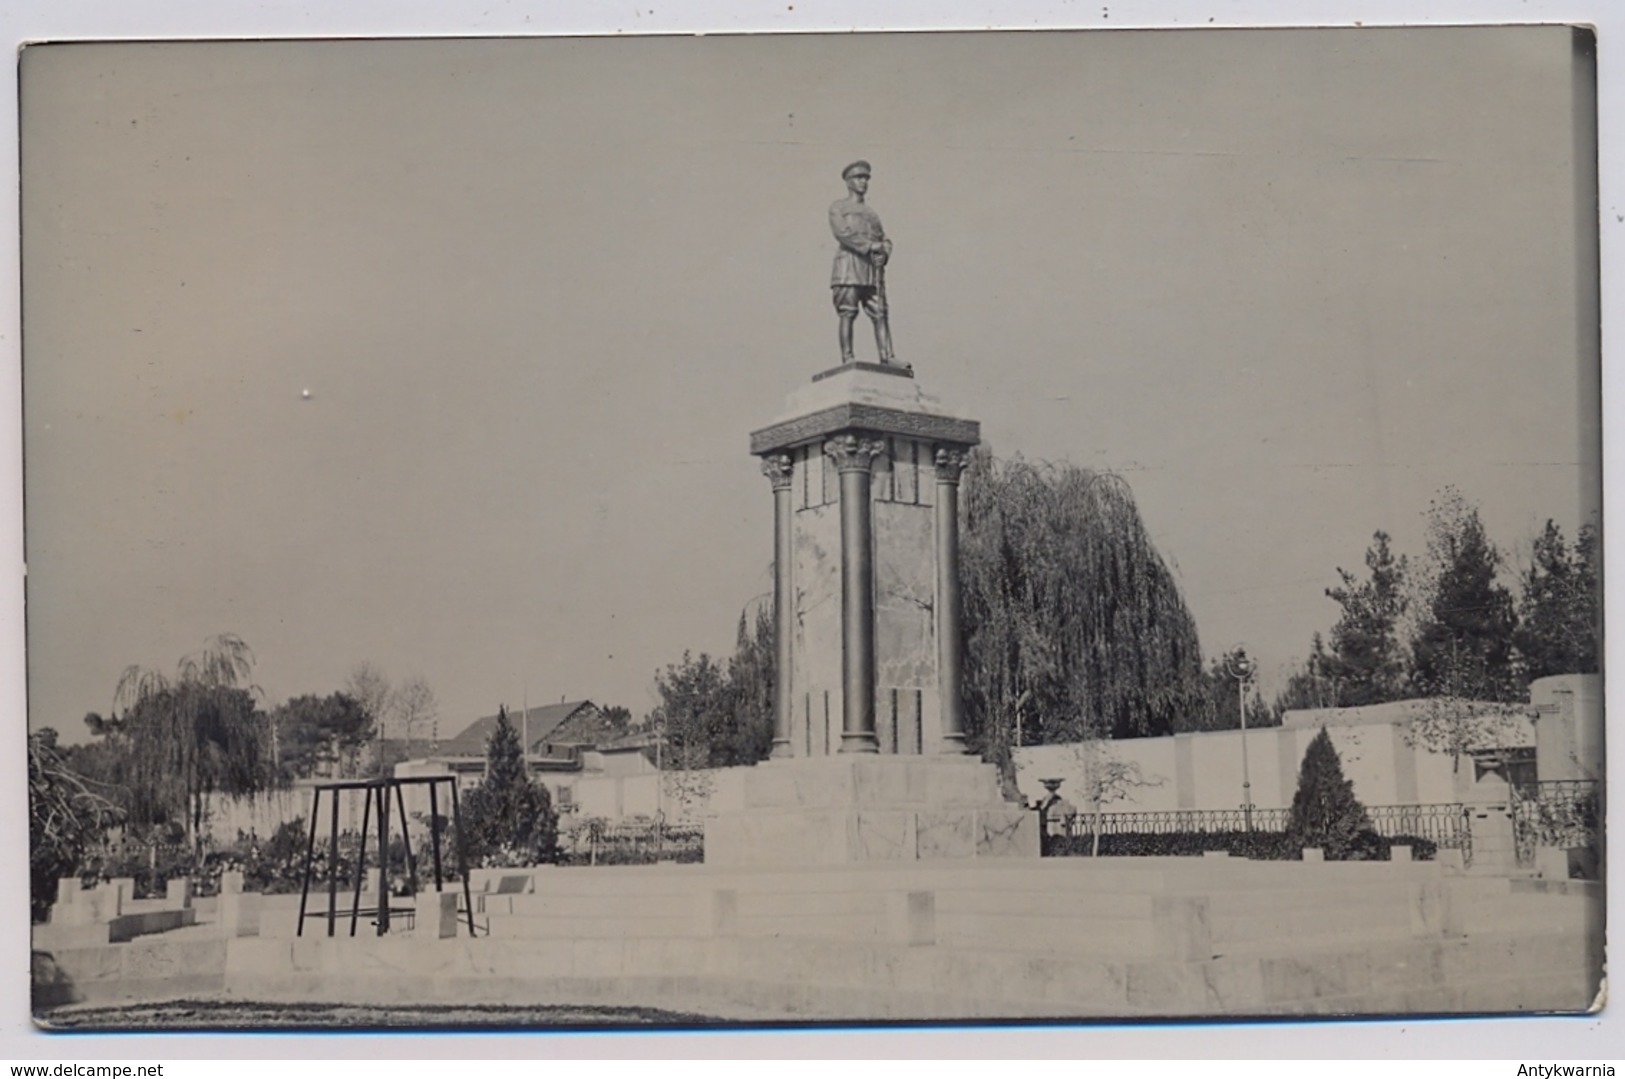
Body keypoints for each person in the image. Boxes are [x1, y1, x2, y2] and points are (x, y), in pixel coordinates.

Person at [829, 160, 900, 366]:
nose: (863, 182)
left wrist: (884, 253)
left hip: (871, 270)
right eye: (858, 178)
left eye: (866, 178)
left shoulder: (872, 214)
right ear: (849, 182)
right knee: (848, 312)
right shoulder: (838, 207)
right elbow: (843, 233)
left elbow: (885, 239)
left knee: (880, 312)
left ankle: (887, 357)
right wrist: (870, 247)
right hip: (848, 267)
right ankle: (848, 358)